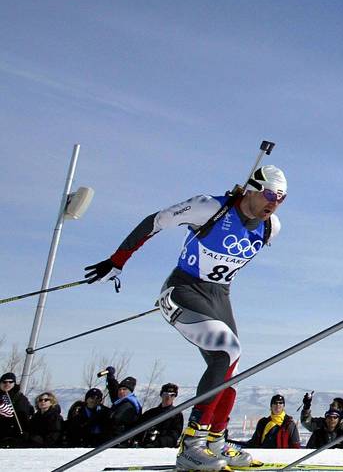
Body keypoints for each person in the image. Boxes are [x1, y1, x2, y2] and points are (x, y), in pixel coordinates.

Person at [83, 164, 287, 471]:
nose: (274, 203)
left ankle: (216, 442)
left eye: (282, 198)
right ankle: (191, 446)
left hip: (219, 296)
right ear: (251, 188)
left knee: (231, 366)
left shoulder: (271, 226)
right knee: (226, 351)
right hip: (182, 289)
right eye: (270, 194)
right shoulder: (210, 207)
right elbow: (155, 221)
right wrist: (117, 261)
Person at [138, 383, 184, 448]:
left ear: (174, 397)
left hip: (163, 451)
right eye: (165, 394)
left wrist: (157, 443)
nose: (168, 397)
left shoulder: (177, 415)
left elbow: (174, 436)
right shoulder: (150, 413)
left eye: (172, 395)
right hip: (143, 447)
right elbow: (138, 429)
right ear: (161, 395)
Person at [103, 370, 143, 446]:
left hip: (121, 441)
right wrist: (110, 378)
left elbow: (116, 420)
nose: (121, 391)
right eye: (120, 389)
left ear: (130, 392)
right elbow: (113, 391)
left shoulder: (128, 405)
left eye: (124, 389)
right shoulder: (121, 401)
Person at [0, 373, 33, 447]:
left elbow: (23, 417)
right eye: (4, 382)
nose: (7, 384)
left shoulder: (20, 398)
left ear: (14, 383)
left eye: (10, 382)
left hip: (13, 433)